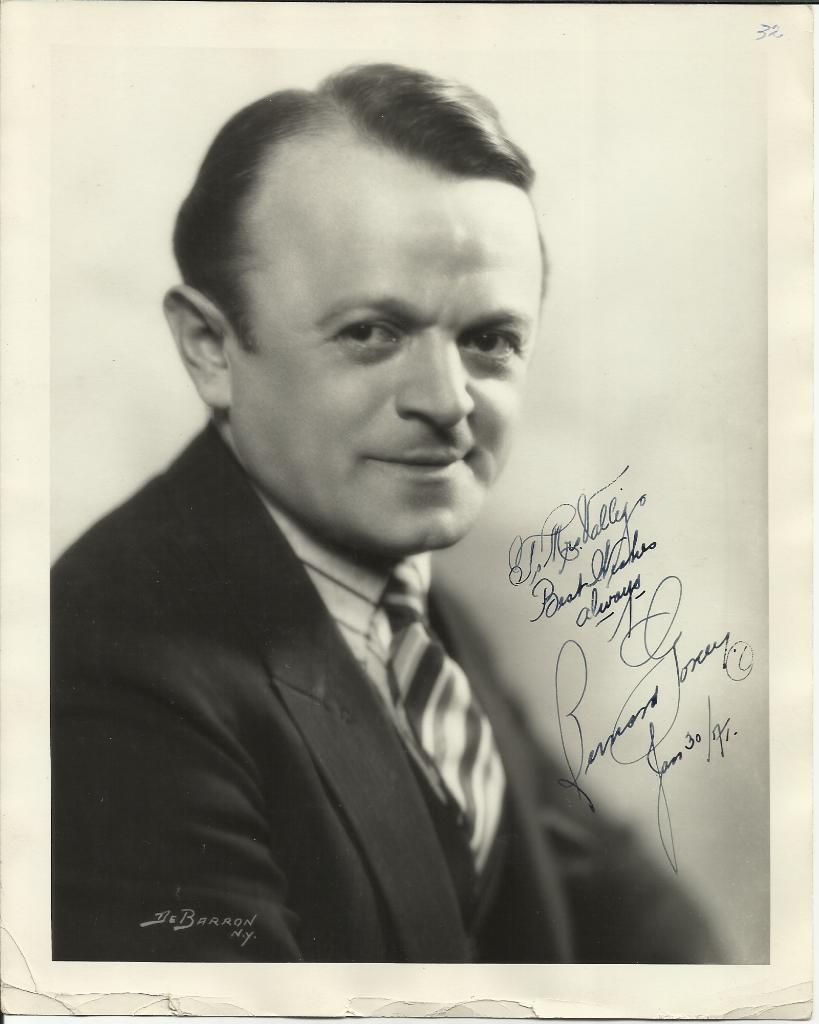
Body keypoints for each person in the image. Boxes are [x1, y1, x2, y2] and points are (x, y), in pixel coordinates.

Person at [51, 62, 719, 963]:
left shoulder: (416, 614)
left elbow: (620, 904)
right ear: (210, 348)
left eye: (490, 341)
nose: (447, 401)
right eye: (372, 332)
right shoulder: (108, 665)